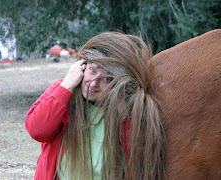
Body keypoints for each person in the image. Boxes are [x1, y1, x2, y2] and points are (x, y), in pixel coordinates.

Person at [25, 32, 165, 180]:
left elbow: (135, 162)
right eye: (93, 70)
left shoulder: (124, 108)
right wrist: (66, 86)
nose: (94, 83)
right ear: (81, 66)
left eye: (107, 78)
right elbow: (37, 130)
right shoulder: (63, 91)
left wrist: (124, 112)